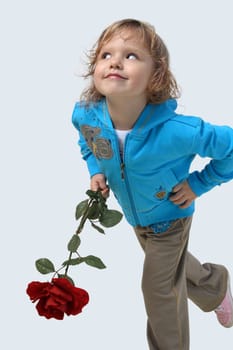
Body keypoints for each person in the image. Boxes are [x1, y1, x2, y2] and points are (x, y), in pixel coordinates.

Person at [72, 18, 233, 350]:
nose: (115, 61)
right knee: (173, 266)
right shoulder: (86, 115)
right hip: (135, 217)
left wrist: (200, 183)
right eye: (106, 55)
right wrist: (96, 171)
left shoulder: (178, 130)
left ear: (156, 74)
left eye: (131, 55)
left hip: (172, 215)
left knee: (158, 289)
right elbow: (88, 144)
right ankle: (216, 286)